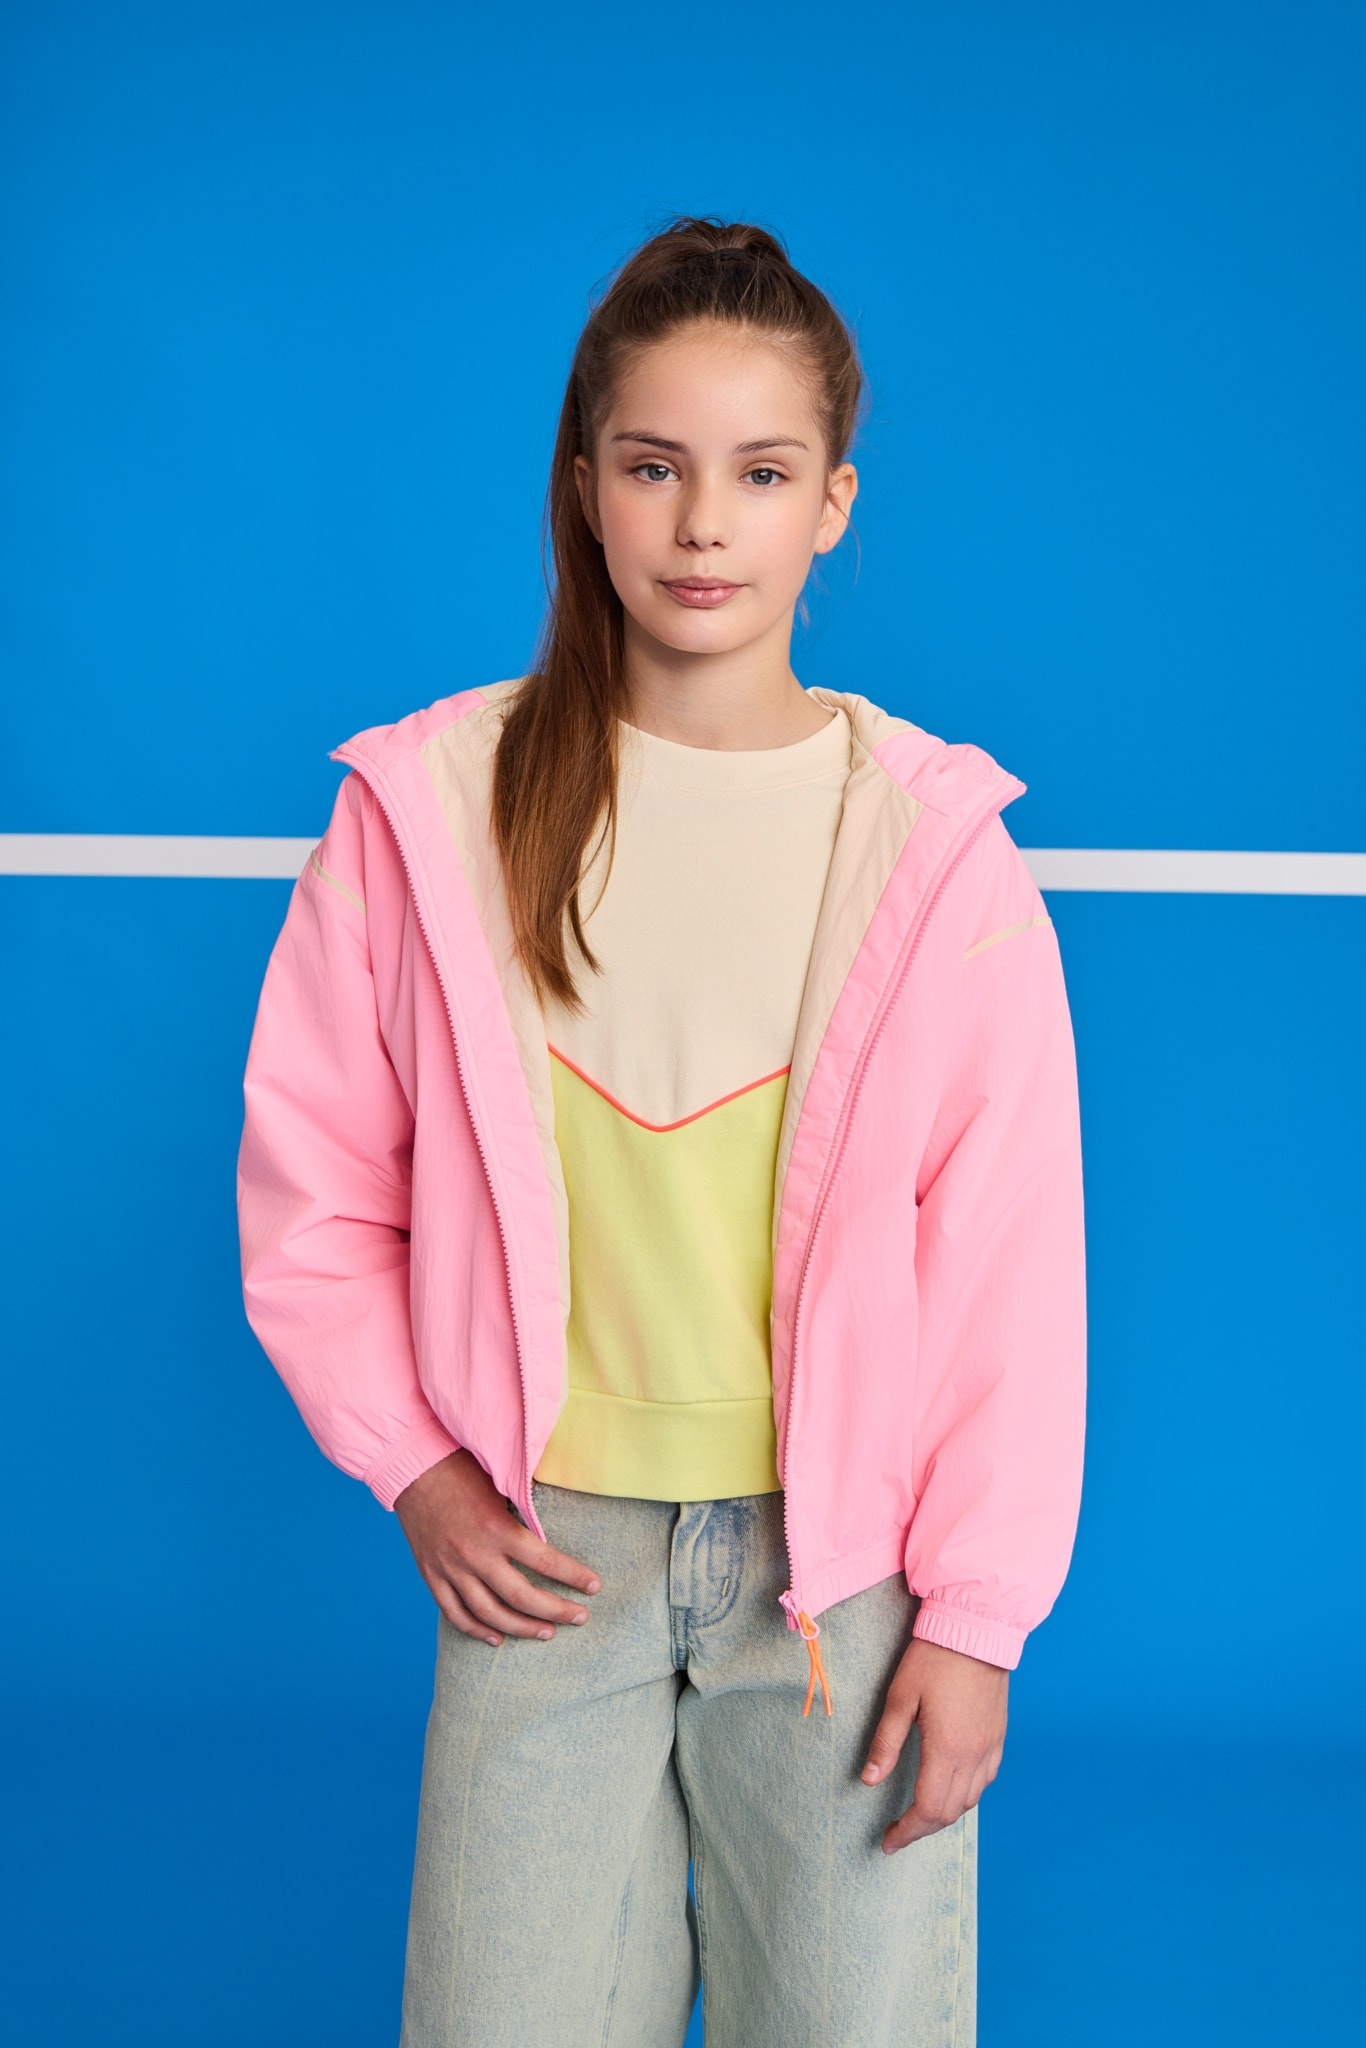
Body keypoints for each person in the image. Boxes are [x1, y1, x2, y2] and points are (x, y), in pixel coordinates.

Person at [236, 213, 1087, 2048]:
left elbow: (1010, 1274)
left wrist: (973, 1618)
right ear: (585, 485)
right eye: (653, 466)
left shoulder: (933, 846)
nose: (704, 523)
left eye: (760, 474)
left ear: (832, 505)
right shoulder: (427, 808)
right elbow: (316, 1196)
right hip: (543, 1566)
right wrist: (418, 1469)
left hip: (843, 1581)